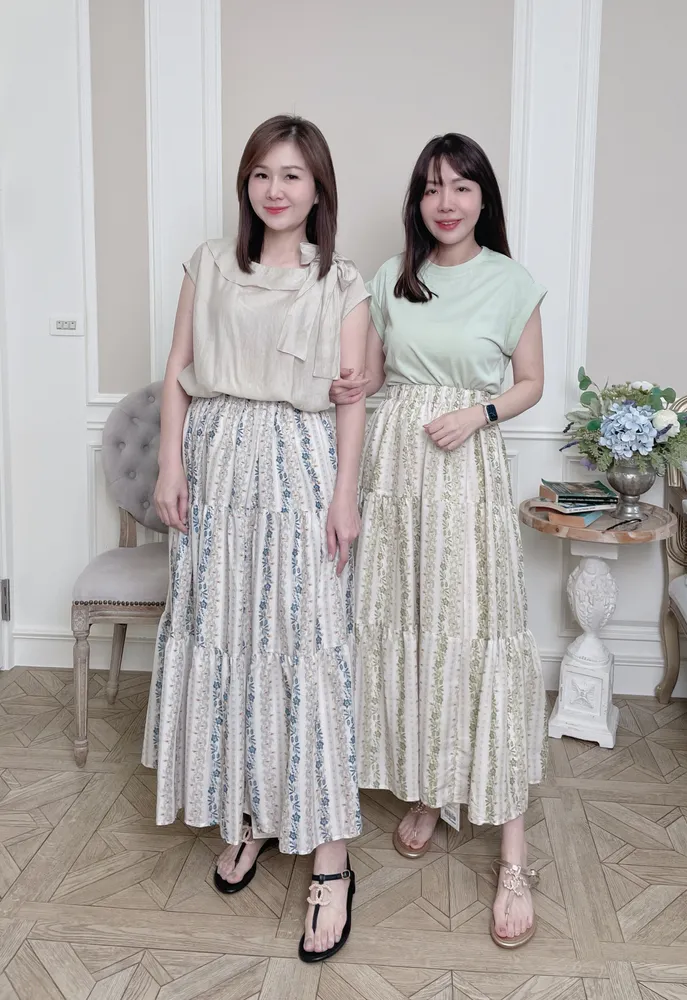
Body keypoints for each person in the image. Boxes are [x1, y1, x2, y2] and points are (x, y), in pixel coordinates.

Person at [142, 115, 370, 963]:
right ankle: (250, 812)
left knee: (307, 646)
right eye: (263, 173)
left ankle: (332, 863)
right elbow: (177, 373)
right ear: (247, 184)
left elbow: (352, 397)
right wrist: (171, 464)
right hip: (216, 464)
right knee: (228, 640)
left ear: (318, 190)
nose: (276, 189)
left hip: (301, 468)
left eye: (293, 175)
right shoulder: (209, 264)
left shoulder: (341, 281)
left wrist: (344, 495)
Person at [331, 133, 547, 949]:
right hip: (394, 469)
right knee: (408, 631)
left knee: (477, 635)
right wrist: (351, 383)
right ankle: (429, 789)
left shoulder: (512, 281)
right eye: (431, 188)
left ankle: (514, 855)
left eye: (460, 186)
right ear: (417, 202)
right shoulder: (393, 275)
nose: (445, 202)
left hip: (465, 472)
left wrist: (479, 412)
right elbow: (372, 375)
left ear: (484, 197)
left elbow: (530, 382)